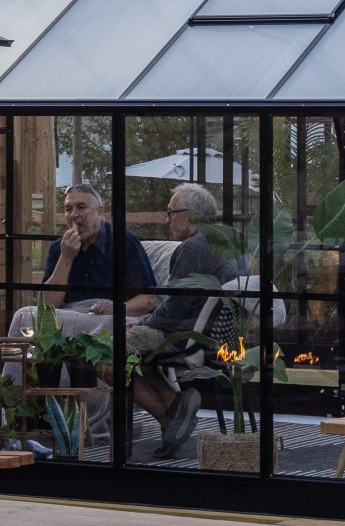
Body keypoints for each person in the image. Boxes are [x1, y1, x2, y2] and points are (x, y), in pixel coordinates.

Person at [130, 183, 238, 458]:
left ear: (189, 214)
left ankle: (171, 415)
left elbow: (174, 308)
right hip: (221, 337)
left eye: (171, 213)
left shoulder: (192, 248)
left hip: (186, 338)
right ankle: (176, 409)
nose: (167, 220)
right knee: (133, 356)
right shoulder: (230, 239)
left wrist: (141, 324)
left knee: (104, 350)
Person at [39, 184, 154, 316]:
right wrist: (66, 257)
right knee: (23, 314)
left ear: (100, 213)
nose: (73, 215)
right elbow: (46, 307)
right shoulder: (59, 248)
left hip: (111, 316)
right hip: (70, 314)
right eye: (68, 209)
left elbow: (148, 299)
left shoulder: (123, 242)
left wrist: (117, 308)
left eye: (81, 207)